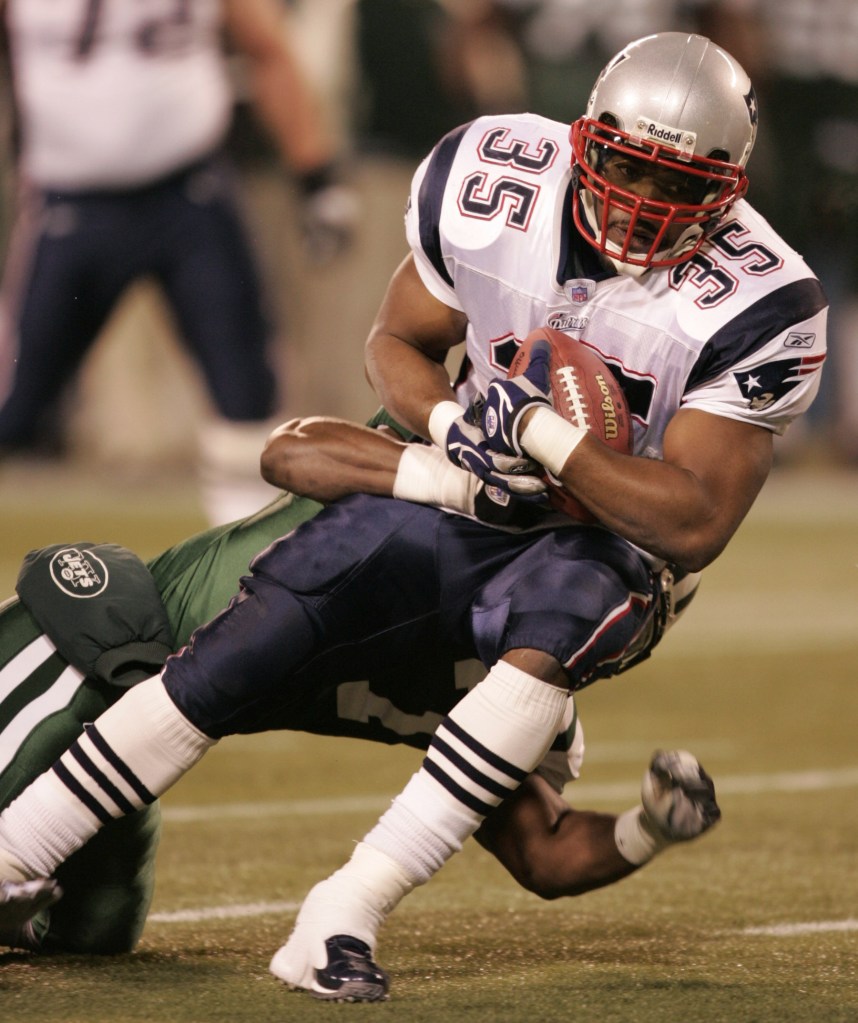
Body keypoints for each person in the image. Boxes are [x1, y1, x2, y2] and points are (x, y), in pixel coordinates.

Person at [0, 31, 825, 1002]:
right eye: (626, 167)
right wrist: (450, 432)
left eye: (681, 187)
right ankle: (17, 853)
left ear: (731, 192)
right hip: (469, 493)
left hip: (605, 544)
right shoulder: (494, 180)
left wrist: (539, 435)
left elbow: (688, 524)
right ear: (581, 139)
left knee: (567, 598)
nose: (646, 204)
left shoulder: (763, 299)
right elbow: (388, 346)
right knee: (293, 594)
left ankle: (340, 915)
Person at [0, 412, 713, 953]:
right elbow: (289, 450)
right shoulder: (441, 503)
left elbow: (544, 849)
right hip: (89, 653)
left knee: (93, 940)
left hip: (135, 757)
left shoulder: (519, 694)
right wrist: (462, 479)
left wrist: (648, 829)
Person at [0, 0, 356, 524]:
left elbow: (264, 46)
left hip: (187, 194)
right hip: (71, 202)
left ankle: (251, 572)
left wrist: (316, 176)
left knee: (248, 399)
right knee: (14, 406)